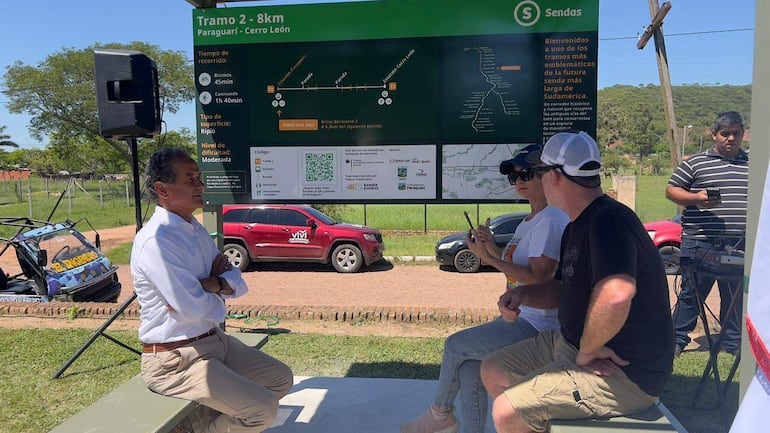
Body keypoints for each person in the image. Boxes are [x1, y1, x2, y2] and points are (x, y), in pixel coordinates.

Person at [479, 130, 673, 433]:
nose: (539, 180)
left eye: (539, 172)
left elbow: (616, 293)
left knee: (508, 411)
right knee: (493, 370)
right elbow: (561, 289)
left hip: (624, 370)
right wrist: (523, 296)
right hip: (570, 344)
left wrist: (588, 349)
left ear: (554, 176)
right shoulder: (578, 223)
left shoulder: (609, 221)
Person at [401, 144, 569, 433]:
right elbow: (515, 269)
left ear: (548, 177)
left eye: (525, 174)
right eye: (513, 177)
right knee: (469, 367)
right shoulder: (530, 221)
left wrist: (488, 258)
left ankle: (440, 414)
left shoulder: (552, 220)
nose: (518, 181)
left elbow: (538, 278)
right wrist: (490, 247)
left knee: (455, 345)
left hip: (539, 325)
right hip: (521, 316)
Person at [132, 147, 293, 433]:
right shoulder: (156, 241)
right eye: (190, 179)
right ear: (162, 189)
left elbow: (237, 283)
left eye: (199, 177)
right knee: (262, 409)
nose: (200, 185)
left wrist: (213, 285)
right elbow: (191, 308)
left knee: (280, 379)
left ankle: (202, 425)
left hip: (213, 341)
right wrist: (215, 289)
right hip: (176, 359)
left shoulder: (195, 229)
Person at [667, 111, 748, 357]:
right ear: (714, 135)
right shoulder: (696, 163)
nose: (730, 138)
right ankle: (675, 342)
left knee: (734, 296)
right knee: (692, 294)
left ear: (743, 134)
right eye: (725, 133)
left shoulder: (752, 163)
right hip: (701, 242)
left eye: (735, 133)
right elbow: (671, 191)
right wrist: (696, 199)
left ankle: (733, 345)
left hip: (739, 243)